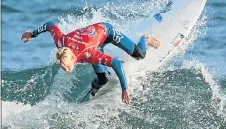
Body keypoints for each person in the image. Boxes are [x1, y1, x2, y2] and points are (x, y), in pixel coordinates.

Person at [21, 21, 160, 104]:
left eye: (66, 66)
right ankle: (96, 87)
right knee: (103, 78)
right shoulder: (60, 42)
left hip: (106, 31)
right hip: (94, 42)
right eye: (62, 66)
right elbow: (50, 25)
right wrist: (32, 34)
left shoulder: (88, 55)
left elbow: (116, 64)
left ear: (73, 59)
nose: (64, 68)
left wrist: (125, 88)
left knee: (139, 55)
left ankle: (146, 38)